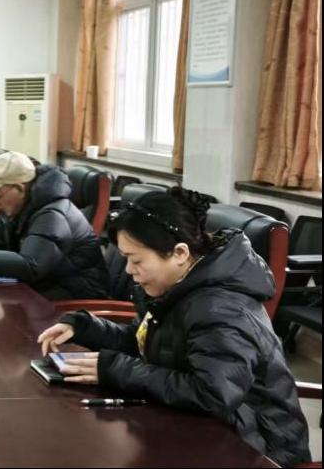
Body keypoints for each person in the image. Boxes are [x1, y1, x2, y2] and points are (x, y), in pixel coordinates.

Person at [36, 188, 310, 467]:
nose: (128, 270)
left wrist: (116, 369)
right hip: (206, 427)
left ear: (180, 253)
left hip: (256, 447)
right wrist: (86, 327)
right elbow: (149, 343)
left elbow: (211, 393)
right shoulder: (178, 286)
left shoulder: (220, 309)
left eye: (136, 260)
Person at [0, 151, 107, 300]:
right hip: (43, 288)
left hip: (75, 296)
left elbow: (30, 265)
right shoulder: (21, 205)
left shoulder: (52, 214)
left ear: (19, 188)